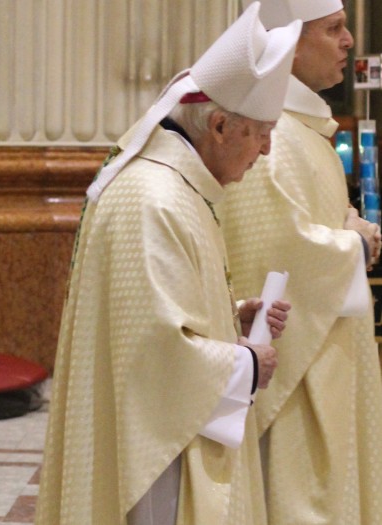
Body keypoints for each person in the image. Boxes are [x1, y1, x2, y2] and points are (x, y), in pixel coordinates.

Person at [34, 4, 298, 524]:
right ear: (220, 125)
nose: (267, 150)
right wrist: (246, 364)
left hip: (168, 435)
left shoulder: (175, 187)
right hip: (158, 460)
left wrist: (232, 320)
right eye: (261, 132)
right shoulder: (153, 198)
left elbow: (157, 319)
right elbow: (155, 354)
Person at [219, 1, 382, 523]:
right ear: (288, 42)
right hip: (295, 373)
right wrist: (355, 243)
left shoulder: (305, 128)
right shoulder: (270, 135)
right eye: (334, 29)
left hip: (330, 349)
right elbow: (278, 250)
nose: (349, 41)